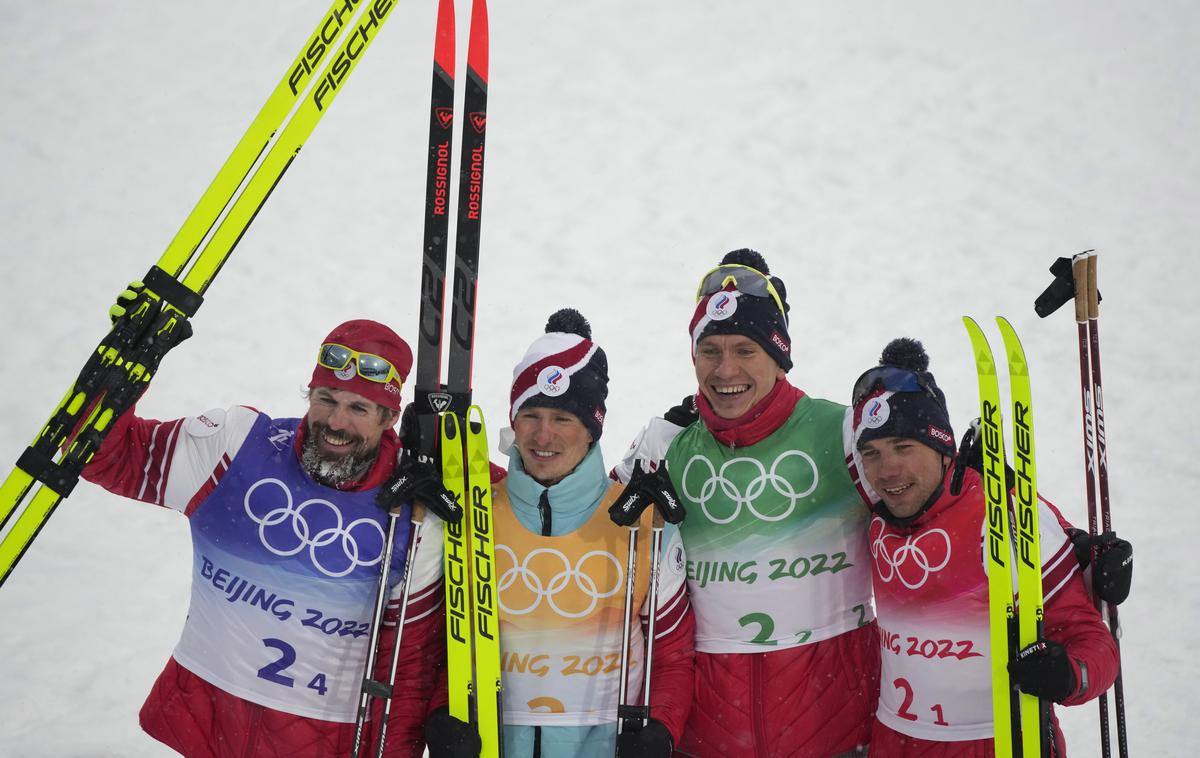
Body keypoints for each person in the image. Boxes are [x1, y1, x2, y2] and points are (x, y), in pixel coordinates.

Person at [80, 310, 448, 757]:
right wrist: (118, 371)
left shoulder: (412, 509)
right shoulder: (236, 449)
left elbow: (409, 664)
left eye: (358, 409)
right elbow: (103, 454)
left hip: (322, 740)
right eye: (326, 399)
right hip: (208, 723)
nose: (335, 423)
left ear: (388, 419)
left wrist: (460, 470)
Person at [613, 250, 878, 757]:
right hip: (708, 735)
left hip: (832, 730)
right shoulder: (665, 444)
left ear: (779, 357)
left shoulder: (842, 431)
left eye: (745, 350)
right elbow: (579, 520)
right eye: (709, 350)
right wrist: (477, 480)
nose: (725, 369)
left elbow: (941, 507)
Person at [424, 308, 696, 758]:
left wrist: (661, 730)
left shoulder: (641, 523)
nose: (542, 434)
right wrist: (443, 713)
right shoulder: (475, 513)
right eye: (530, 415)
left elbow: (673, 654)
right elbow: (449, 643)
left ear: (591, 430)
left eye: (563, 418)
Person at [847, 337, 1121, 756]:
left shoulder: (1002, 518)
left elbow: (1094, 643)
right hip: (895, 741)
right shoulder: (876, 507)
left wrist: (1068, 675)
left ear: (943, 452)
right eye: (873, 453)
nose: (887, 470)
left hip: (994, 742)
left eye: (904, 448)